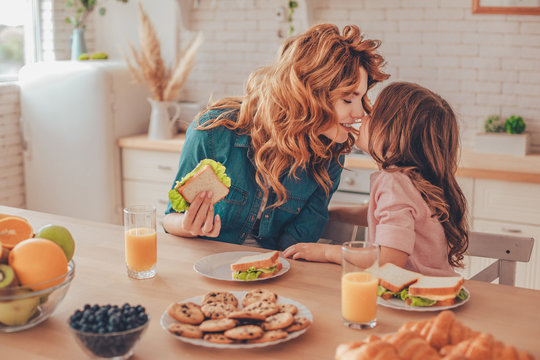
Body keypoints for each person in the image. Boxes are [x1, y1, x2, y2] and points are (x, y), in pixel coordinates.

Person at [163, 24, 389, 250]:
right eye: (348, 100)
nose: (360, 113)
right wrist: (187, 224)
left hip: (273, 275)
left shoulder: (329, 156)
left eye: (361, 98)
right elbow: (170, 218)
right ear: (308, 94)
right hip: (207, 267)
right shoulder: (214, 131)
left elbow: (295, 247)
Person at [283, 81, 469, 276]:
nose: (362, 117)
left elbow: (390, 260)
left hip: (415, 296)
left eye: (372, 115)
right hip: (439, 291)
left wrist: (325, 252)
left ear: (395, 137)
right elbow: (383, 214)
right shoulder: (415, 181)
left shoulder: (393, 182)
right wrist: (334, 213)